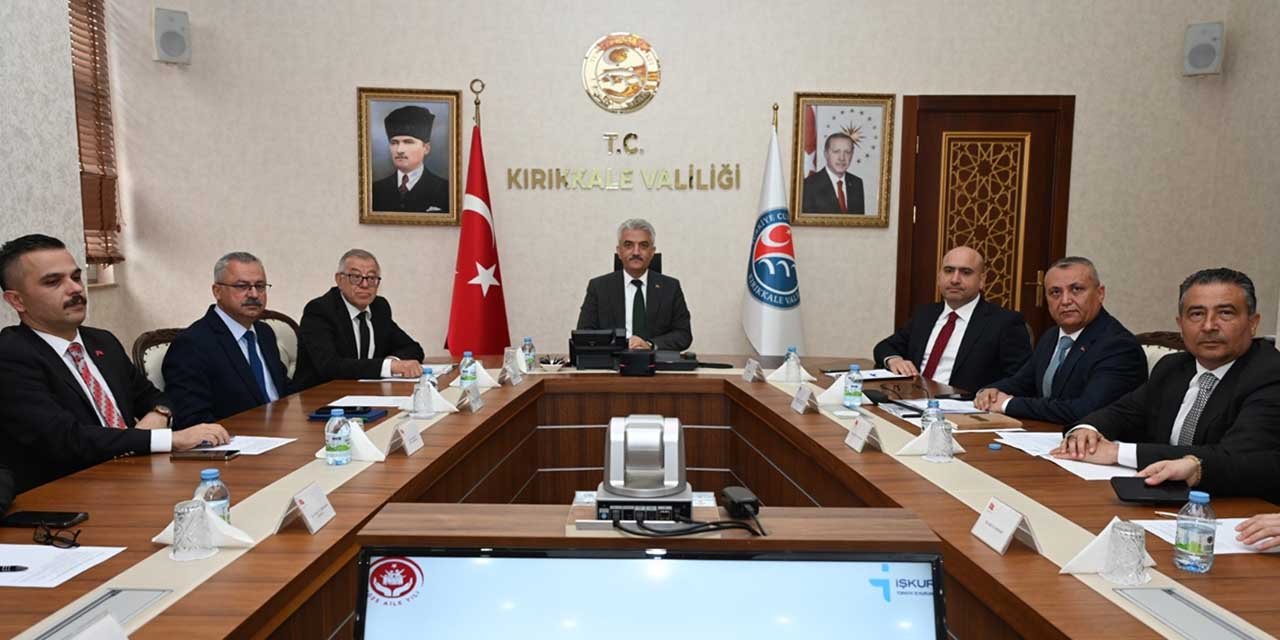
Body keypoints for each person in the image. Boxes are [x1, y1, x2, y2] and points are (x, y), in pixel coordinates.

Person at [0, 234, 228, 493]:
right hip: (69, 493)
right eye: (53, 282)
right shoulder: (11, 355)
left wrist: (160, 413)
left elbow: (155, 397)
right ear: (17, 300)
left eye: (76, 277)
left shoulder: (102, 341)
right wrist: (167, 439)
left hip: (134, 478)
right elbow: (67, 439)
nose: (75, 289)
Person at [1052, 268, 1280, 471]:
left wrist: (1117, 453)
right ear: (1181, 325)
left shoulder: (1269, 374)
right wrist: (1087, 430)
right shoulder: (1173, 367)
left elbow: (1234, 458)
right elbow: (1121, 413)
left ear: (1253, 323)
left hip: (1238, 501)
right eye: (1197, 314)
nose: (1209, 326)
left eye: (1225, 313)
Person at [974, 257, 1147, 423]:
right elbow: (1022, 382)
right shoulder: (1052, 336)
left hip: (1096, 440)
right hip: (1047, 434)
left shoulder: (1118, 346)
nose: (1065, 301)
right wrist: (992, 391)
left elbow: (1086, 410)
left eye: (1076, 289)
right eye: (1055, 292)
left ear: (1100, 293)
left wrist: (1008, 404)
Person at [872, 246, 1031, 392]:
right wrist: (894, 360)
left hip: (964, 407)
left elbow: (1022, 379)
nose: (955, 279)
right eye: (948, 271)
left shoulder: (1005, 323)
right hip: (911, 399)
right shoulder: (926, 314)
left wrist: (988, 394)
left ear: (982, 280)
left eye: (966, 272)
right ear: (939, 277)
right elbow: (885, 346)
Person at [163, 252, 293, 428]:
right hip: (238, 439)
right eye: (242, 286)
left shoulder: (264, 332)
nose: (254, 294)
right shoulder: (192, 345)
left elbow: (284, 392)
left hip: (282, 430)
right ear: (217, 291)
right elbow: (194, 420)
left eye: (260, 286)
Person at [293, 249, 425, 389]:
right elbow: (330, 366)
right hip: (319, 395)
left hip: (365, 392)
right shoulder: (320, 310)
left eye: (371, 278)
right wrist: (388, 366)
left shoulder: (379, 307)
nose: (365, 285)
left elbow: (413, 348)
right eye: (356, 277)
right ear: (339, 279)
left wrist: (393, 361)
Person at [576, 218, 692, 351]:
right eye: (628, 245)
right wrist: (619, 345)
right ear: (619, 251)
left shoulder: (670, 287)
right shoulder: (599, 287)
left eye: (643, 245)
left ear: (652, 252)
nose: (636, 252)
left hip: (655, 361)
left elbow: (683, 334)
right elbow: (584, 333)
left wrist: (650, 344)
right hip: (614, 360)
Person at [370, 105, 450, 213]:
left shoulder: (445, 189)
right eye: (394, 143)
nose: (399, 150)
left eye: (408, 142)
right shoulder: (375, 190)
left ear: (426, 148)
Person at [802, 133, 866, 214]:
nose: (842, 158)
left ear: (852, 154)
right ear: (826, 154)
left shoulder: (857, 183)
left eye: (847, 152)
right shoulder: (808, 186)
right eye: (836, 151)